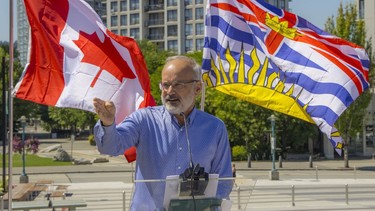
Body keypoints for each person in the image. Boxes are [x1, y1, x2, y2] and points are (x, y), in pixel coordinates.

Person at [93, 55, 233, 210]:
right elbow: (110, 147)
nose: (169, 92)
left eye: (178, 85)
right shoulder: (144, 119)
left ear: (197, 88)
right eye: (165, 85)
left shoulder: (215, 128)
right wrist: (107, 123)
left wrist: (212, 206)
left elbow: (223, 181)